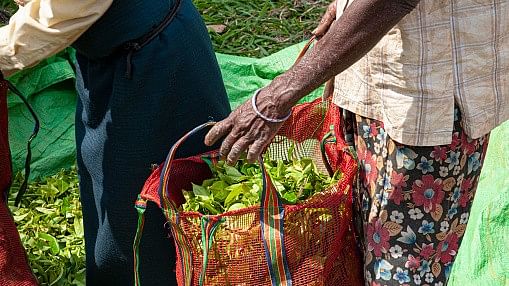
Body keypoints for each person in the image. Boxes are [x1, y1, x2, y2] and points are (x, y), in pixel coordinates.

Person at [205, 0, 508, 285]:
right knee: (356, 248)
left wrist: (280, 94)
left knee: (400, 271)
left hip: (428, 101)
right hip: (375, 78)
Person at [1, 0, 230, 285]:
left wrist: (5, 53)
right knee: (103, 183)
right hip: (107, 53)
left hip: (154, 54)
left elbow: (63, 9)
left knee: (149, 205)